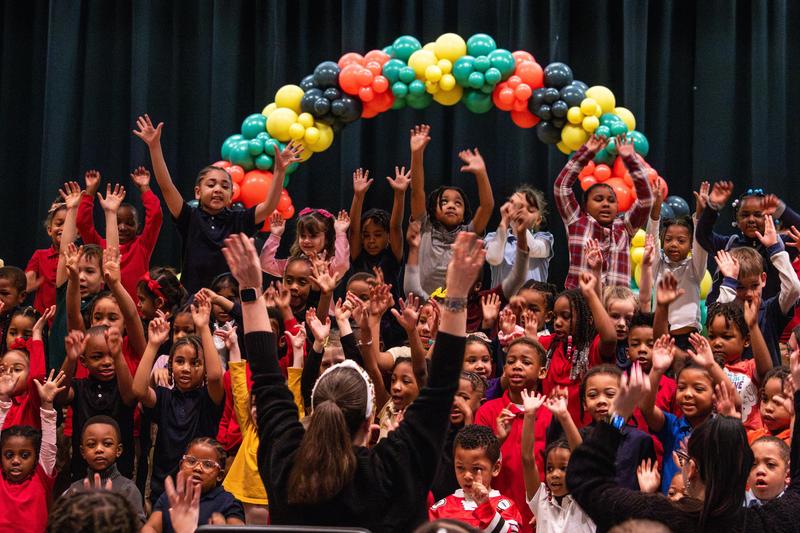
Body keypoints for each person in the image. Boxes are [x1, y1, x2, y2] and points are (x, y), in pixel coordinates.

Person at [224, 230, 484, 531]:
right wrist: (457, 294)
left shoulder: (286, 460)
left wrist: (250, 289)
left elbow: (267, 377)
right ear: (369, 419)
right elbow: (440, 390)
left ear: (313, 409)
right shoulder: (394, 467)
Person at [566, 350, 800, 532]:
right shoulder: (766, 524)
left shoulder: (657, 515)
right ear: (744, 471)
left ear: (691, 469)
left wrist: (617, 417)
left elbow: (584, 480)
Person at [132, 114, 302, 294]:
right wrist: (154, 146)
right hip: (194, 302)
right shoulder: (189, 217)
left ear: (231, 196)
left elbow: (268, 206)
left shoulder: (240, 220)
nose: (218, 189)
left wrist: (280, 171)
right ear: (198, 192)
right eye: (211, 185)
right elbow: (166, 187)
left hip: (231, 303)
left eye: (225, 186)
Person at [132, 296, 224, 505]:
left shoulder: (208, 399)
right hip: (163, 490)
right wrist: (153, 344)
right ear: (170, 365)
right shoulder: (164, 397)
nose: (186, 368)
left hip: (201, 493)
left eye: (195, 363)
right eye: (180, 361)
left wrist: (203, 328)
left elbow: (216, 376)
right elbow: (138, 389)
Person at [554, 134, 653, 290]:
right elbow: (561, 187)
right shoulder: (577, 221)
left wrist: (630, 160)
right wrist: (586, 153)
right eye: (599, 199)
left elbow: (646, 199)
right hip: (580, 305)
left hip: (614, 309)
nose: (606, 204)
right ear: (585, 206)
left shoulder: (625, 228)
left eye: (611, 200)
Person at [407, 124, 494, 295]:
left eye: (458, 203)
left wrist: (481, 173)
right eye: (444, 202)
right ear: (434, 210)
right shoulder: (425, 227)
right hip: (424, 308)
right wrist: (416, 154)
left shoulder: (468, 234)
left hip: (458, 306)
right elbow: (417, 192)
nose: (451, 205)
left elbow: (487, 206)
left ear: (463, 216)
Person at [694, 182, 800, 304]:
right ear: (737, 220)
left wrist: (781, 210)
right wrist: (711, 208)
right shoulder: (728, 245)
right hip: (729, 317)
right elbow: (702, 235)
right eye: (745, 215)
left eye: (757, 215)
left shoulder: (779, 245)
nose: (751, 219)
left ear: (768, 217)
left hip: (766, 318)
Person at [76, 168, 163, 304]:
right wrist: (90, 192)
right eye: (117, 222)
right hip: (105, 313)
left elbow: (156, 216)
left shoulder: (142, 246)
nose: (122, 227)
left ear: (138, 226)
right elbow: (82, 223)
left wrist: (144, 188)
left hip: (134, 315)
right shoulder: (99, 248)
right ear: (108, 224)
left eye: (129, 223)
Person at [521, 390, 595, 533]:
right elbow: (527, 460)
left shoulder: (586, 501)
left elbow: (582, 457)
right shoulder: (541, 501)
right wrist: (529, 415)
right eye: (549, 469)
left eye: (564, 468)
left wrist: (564, 416)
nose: (555, 474)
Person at [0, 370, 64, 533]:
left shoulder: (41, 475)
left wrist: (47, 404)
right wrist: (3, 399)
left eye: (25, 455)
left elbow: (49, 445)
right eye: (9, 455)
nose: (15, 460)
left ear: (36, 458)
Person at [429, 425, 523, 532]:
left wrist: (485, 508)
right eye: (460, 467)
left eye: (476, 468)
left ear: (496, 468)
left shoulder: (505, 506)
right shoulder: (440, 509)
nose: (467, 476)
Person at [143, 437, 245, 532]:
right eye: (191, 461)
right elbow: (151, 527)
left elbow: (238, 528)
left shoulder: (228, 502)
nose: (197, 468)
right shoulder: (171, 496)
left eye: (207, 464)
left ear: (220, 475)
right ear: (181, 466)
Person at [61, 415, 145, 525]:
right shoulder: (75, 490)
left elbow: (139, 527)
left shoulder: (128, 490)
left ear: (118, 450)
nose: (99, 449)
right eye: (91, 445)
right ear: (83, 452)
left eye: (107, 444)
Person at [485, 185, 554, 287]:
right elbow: (493, 258)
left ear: (538, 219)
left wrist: (521, 225)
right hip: (503, 302)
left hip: (533, 301)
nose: (521, 211)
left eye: (529, 209)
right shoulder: (494, 237)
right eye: (517, 206)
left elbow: (534, 249)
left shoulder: (544, 238)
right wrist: (504, 222)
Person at [747, 436, 791, 506]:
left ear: (787, 472)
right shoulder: (734, 507)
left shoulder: (795, 507)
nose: (760, 470)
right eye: (753, 464)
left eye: (770, 464)